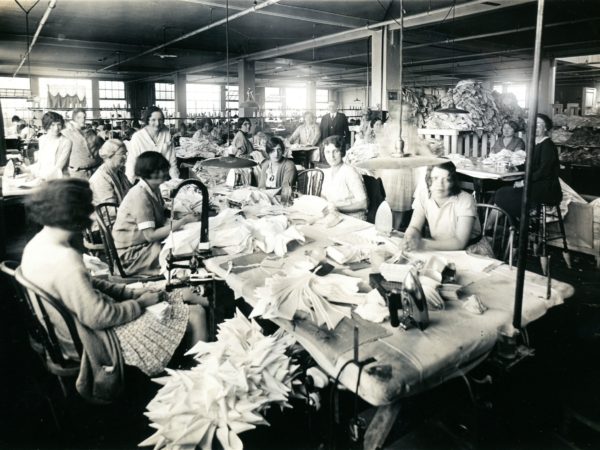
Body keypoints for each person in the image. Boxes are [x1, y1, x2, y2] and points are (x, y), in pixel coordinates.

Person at [20, 179, 207, 394]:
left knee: (174, 294)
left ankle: (183, 367)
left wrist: (130, 292)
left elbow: (88, 284)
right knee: (195, 313)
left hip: (71, 331)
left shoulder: (38, 244)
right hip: (93, 341)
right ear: (76, 215)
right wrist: (140, 303)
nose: (91, 216)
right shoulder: (66, 259)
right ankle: (197, 386)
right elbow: (99, 317)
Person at [113, 152, 196, 276]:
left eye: (164, 169)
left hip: (144, 245)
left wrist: (178, 215)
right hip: (132, 255)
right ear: (151, 172)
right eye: (161, 170)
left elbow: (160, 211)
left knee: (187, 239)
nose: (165, 173)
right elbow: (150, 236)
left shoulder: (153, 188)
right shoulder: (140, 195)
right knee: (185, 249)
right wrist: (183, 221)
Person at [494, 114, 562, 220]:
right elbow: (529, 164)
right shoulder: (535, 144)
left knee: (502, 194)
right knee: (502, 193)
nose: (535, 127)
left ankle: (520, 226)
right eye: (533, 125)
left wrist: (523, 183)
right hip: (535, 185)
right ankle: (506, 227)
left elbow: (543, 171)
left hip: (546, 188)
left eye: (539, 125)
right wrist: (516, 168)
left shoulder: (547, 145)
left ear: (546, 128)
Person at [403, 161, 480, 251]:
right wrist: (409, 237)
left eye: (446, 179)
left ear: (453, 182)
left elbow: (460, 242)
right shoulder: (424, 195)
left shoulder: (465, 199)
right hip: (439, 246)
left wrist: (422, 243)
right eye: (435, 178)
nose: (440, 184)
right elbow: (414, 227)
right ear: (429, 179)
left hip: (469, 250)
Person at [125, 106, 179, 183]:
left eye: (160, 120)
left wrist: (176, 181)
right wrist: (130, 184)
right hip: (144, 180)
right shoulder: (138, 137)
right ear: (147, 121)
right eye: (153, 120)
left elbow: (172, 161)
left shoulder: (166, 133)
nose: (157, 123)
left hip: (163, 178)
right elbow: (132, 162)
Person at [320, 135, 367, 220]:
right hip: (335, 217)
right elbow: (324, 197)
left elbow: (364, 204)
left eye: (335, 151)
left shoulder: (350, 172)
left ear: (341, 152)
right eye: (328, 152)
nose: (331, 156)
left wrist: (338, 208)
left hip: (353, 219)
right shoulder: (327, 172)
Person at [29, 111, 72, 180]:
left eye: (59, 124)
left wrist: (42, 178)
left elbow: (58, 168)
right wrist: (28, 170)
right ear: (46, 125)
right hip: (42, 177)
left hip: (59, 179)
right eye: (52, 125)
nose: (56, 128)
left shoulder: (66, 142)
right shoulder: (42, 139)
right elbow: (40, 163)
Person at [62, 108, 102, 179]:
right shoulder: (66, 133)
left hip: (95, 171)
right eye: (79, 118)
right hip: (77, 174)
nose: (83, 120)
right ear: (74, 118)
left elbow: (102, 147)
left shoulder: (90, 132)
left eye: (84, 117)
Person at [89, 139, 132, 206]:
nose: (125, 157)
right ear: (110, 155)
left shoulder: (119, 173)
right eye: (122, 153)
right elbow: (110, 209)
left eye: (126, 153)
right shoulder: (100, 178)